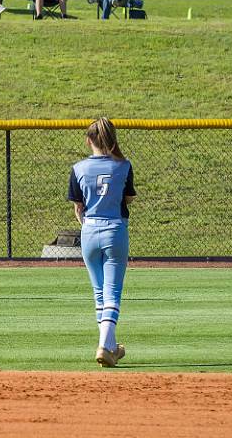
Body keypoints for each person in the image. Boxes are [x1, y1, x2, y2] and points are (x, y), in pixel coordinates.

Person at [67, 118, 136, 367]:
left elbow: (78, 207)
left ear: (88, 140)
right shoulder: (123, 166)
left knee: (99, 294)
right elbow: (128, 199)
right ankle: (103, 346)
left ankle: (111, 348)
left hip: (89, 232)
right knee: (112, 294)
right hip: (114, 230)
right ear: (113, 140)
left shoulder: (78, 168)